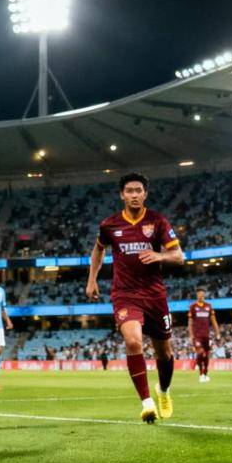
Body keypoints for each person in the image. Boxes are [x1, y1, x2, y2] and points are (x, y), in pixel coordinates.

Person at [87, 172, 184, 423]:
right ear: (122, 195)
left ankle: (163, 390)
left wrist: (160, 255)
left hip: (154, 295)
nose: (134, 195)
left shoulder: (158, 221)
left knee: (164, 353)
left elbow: (179, 256)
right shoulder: (109, 225)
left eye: (138, 190)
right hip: (125, 294)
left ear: (145, 194)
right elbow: (98, 249)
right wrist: (92, 279)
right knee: (132, 341)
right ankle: (147, 403)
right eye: (129, 191)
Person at [188, 288, 220, 383]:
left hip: (206, 335)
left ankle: (205, 374)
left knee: (206, 355)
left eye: (202, 294)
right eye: (199, 294)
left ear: (204, 295)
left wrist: (217, 333)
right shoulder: (193, 306)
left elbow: (213, 321)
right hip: (197, 336)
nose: (201, 296)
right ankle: (201, 374)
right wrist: (191, 335)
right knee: (200, 353)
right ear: (197, 295)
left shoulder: (208, 306)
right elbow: (190, 322)